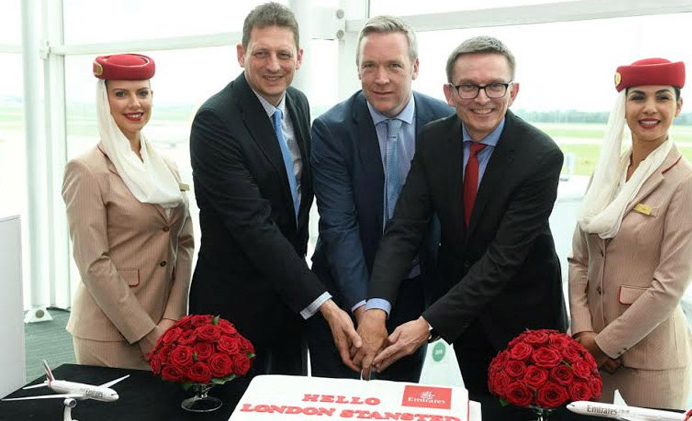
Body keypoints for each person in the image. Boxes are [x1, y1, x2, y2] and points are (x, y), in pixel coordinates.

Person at [355, 36, 568, 417]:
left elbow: (502, 260)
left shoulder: (540, 157)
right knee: (479, 409)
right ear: (449, 93)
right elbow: (405, 227)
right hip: (466, 320)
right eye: (468, 86)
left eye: (495, 86)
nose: (482, 98)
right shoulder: (434, 139)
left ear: (513, 91)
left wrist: (428, 322)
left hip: (524, 323)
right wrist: (377, 307)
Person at [188, 2, 360, 376]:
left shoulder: (297, 102)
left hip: (290, 302)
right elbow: (254, 225)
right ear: (241, 54)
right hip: (235, 304)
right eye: (261, 53)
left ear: (299, 57)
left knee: (289, 398)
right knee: (235, 402)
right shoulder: (215, 121)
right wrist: (325, 304)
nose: (273, 65)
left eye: (283, 54)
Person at [307, 15, 453, 382]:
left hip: (411, 292)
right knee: (333, 400)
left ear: (415, 67)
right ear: (357, 69)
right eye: (369, 65)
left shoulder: (446, 122)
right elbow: (339, 226)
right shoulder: (331, 129)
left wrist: (436, 309)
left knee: (397, 400)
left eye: (393, 65)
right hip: (344, 292)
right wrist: (365, 310)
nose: (381, 78)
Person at [569, 58, 692, 409]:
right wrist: (583, 332)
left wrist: (604, 345)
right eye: (638, 97)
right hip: (588, 355)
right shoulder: (606, 174)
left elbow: (669, 287)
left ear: (678, 106)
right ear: (623, 106)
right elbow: (579, 259)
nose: (649, 108)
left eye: (662, 97)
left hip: (648, 364)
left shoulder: (684, 183)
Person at [62, 54, 194, 369]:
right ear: (103, 101)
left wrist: (172, 318)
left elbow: (184, 244)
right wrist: (146, 333)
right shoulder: (86, 170)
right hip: (110, 332)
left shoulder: (166, 167)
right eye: (121, 94)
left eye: (142, 93)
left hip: (166, 325)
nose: (135, 103)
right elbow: (93, 263)